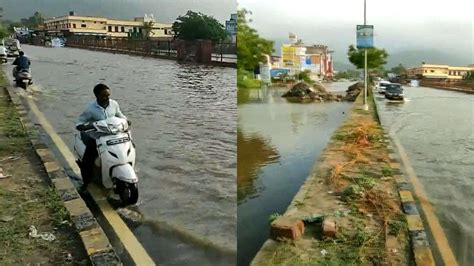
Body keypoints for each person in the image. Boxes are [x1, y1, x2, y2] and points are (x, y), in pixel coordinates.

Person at [76, 83, 130, 188]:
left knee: (129, 144)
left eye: (108, 95)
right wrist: (85, 127)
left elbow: (120, 115)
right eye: (104, 96)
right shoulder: (90, 108)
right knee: (89, 156)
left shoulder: (114, 104)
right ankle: (86, 182)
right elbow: (79, 123)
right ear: (97, 96)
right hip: (97, 137)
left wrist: (126, 121)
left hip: (113, 134)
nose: (107, 98)